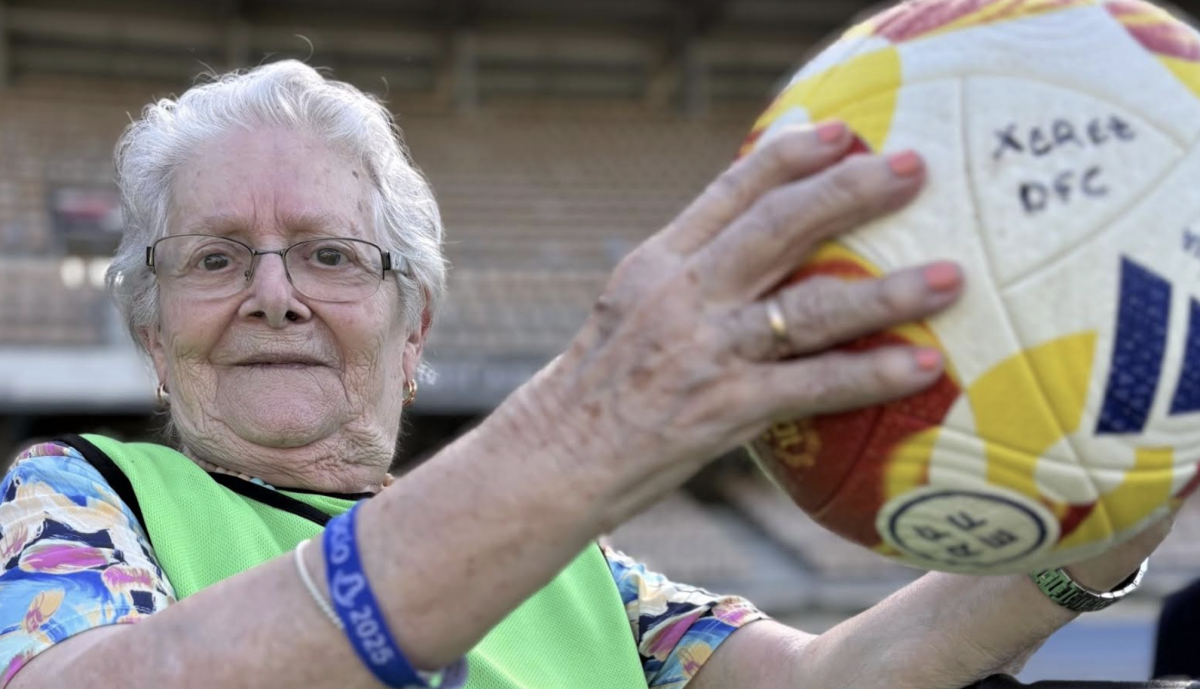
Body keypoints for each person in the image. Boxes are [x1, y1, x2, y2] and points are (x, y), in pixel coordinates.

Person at [0, 59, 1172, 689]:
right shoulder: (80, 496)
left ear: (413, 333)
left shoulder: (577, 569)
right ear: (155, 335)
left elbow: (828, 680)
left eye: (331, 254)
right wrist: (581, 432)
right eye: (213, 258)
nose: (273, 291)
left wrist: (1107, 522)